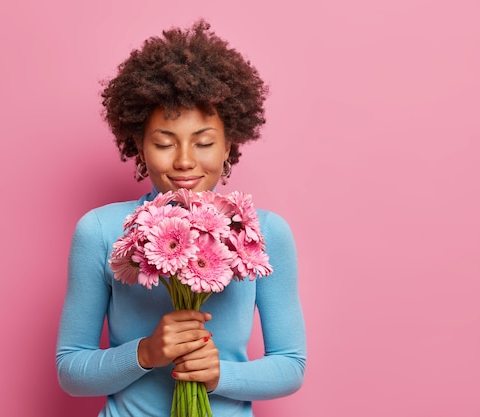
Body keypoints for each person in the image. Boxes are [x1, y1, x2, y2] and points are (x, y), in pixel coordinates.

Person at [56, 20, 306, 416]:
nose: (185, 161)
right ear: (138, 144)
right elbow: (70, 370)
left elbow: (291, 364)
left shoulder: (265, 232)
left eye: (204, 142)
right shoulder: (101, 231)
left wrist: (220, 375)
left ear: (229, 145)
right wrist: (146, 352)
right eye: (163, 143)